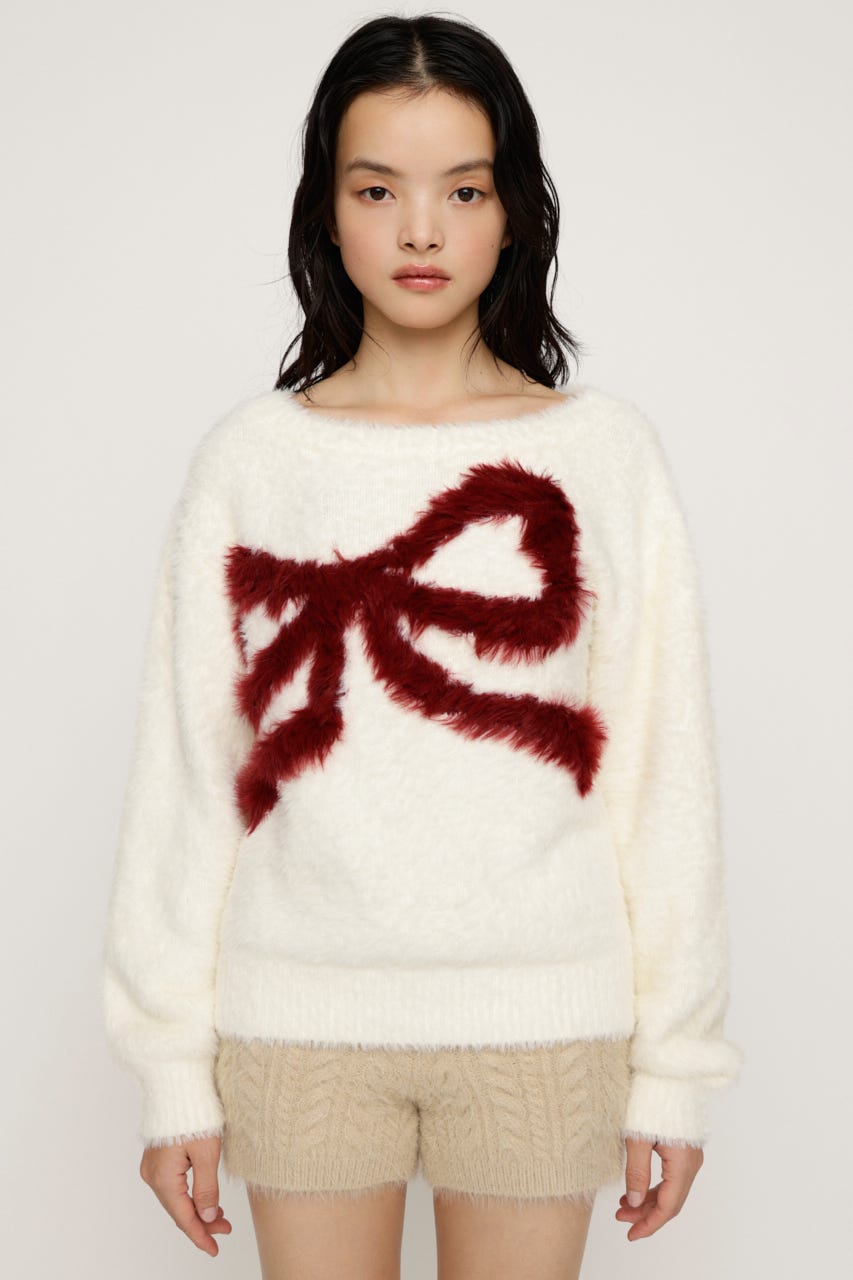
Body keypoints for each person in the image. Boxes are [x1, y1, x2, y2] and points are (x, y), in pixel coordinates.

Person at [100, 12, 744, 1278]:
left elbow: (662, 774)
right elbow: (189, 772)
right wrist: (170, 1067)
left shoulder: (602, 455)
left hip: (544, 1019)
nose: (419, 232)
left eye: (463, 189)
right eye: (376, 188)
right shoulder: (253, 461)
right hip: (298, 1022)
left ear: (513, 212)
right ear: (325, 212)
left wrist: (675, 1065)